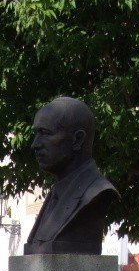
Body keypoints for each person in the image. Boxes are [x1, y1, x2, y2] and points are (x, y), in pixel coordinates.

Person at [24, 97, 119, 255]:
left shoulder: (96, 193)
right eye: (36, 133)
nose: (35, 144)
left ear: (77, 139)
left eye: (45, 133)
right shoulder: (55, 193)